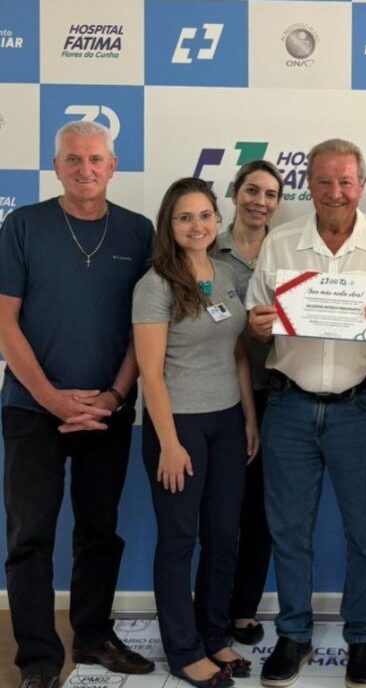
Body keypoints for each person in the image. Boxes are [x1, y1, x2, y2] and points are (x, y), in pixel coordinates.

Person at [246, 138, 366, 688]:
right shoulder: (281, 242)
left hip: (360, 406)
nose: (335, 192)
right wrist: (257, 324)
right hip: (289, 404)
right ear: (309, 185)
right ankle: (293, 633)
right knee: (289, 529)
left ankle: (362, 636)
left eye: (345, 181)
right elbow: (255, 316)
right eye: (324, 181)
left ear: (362, 184)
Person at [0, 121, 155, 688]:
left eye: (95, 159)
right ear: (56, 166)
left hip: (107, 411)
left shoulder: (139, 231)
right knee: (30, 537)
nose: (84, 169)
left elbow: (146, 327)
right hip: (31, 409)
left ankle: (92, 636)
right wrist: (52, 399)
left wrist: (113, 396)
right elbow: (4, 320)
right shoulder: (23, 225)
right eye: (73, 159)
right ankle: (39, 660)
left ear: (113, 166)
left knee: (99, 531)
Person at [133, 177, 259, 688]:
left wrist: (249, 418)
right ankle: (185, 651)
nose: (197, 225)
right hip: (178, 425)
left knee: (224, 536)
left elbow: (237, 352)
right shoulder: (155, 285)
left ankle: (213, 633)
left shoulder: (226, 274)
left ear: (217, 219)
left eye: (205, 215)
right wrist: (168, 443)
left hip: (227, 422)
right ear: (169, 224)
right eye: (185, 217)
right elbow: (150, 373)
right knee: (179, 539)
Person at [210, 160, 284, 645]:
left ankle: (243, 610)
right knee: (221, 511)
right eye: (252, 190)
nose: (260, 201)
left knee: (260, 511)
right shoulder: (207, 249)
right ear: (235, 193)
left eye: (271, 194)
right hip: (217, 395)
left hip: (277, 393)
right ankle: (214, 607)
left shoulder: (288, 250)